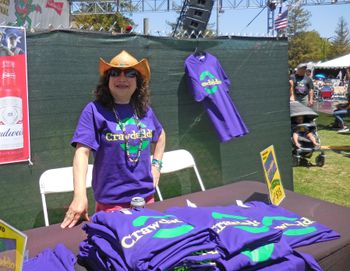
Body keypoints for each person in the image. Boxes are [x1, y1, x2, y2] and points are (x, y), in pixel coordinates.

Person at [61, 50, 166, 228]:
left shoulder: (144, 110)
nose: (122, 78)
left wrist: (156, 166)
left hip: (146, 200)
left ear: (138, 82)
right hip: (112, 204)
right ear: (107, 80)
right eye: (114, 73)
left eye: (130, 74)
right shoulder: (94, 110)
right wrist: (79, 196)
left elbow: (161, 135)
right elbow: (82, 152)